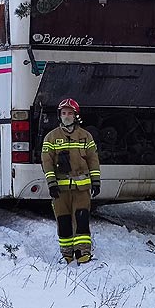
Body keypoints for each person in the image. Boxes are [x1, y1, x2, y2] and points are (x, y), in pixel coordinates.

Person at [41, 98, 100, 264]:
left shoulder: (85, 136)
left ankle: (83, 253)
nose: (67, 116)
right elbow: (47, 162)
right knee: (64, 221)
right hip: (60, 190)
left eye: (70, 113)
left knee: (82, 220)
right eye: (64, 113)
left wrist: (96, 181)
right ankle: (66, 254)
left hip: (82, 190)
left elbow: (93, 160)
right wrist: (51, 184)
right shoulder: (51, 138)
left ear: (76, 116)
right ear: (59, 116)